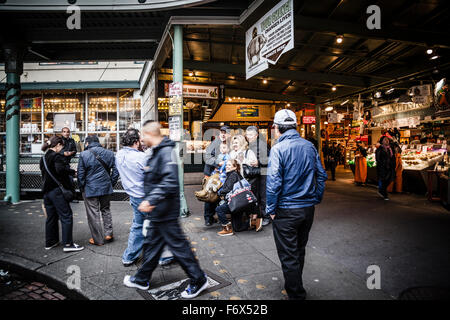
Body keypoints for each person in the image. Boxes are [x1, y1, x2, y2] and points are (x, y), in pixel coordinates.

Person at [123, 121, 208, 299]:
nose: (142, 140)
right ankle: (142, 278)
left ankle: (198, 279)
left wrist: (151, 200)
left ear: (150, 134)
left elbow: (170, 181)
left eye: (143, 136)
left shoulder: (166, 152)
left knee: (179, 247)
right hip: (160, 210)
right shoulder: (158, 151)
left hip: (165, 210)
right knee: (152, 246)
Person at [266, 109, 327, 300]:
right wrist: (315, 198)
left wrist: (271, 209)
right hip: (307, 209)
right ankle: (296, 285)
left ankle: (296, 294)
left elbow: (274, 182)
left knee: (288, 255)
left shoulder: (277, 149)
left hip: (286, 210)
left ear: (277, 128)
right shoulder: (309, 146)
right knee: (299, 250)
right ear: (295, 126)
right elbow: (322, 175)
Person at [40, 136, 84, 252]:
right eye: (62, 146)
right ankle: (68, 244)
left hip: (46, 192)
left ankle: (50, 242)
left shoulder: (43, 158)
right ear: (58, 145)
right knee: (66, 216)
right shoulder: (56, 157)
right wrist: (72, 172)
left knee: (51, 217)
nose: (62, 149)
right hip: (57, 191)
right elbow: (60, 170)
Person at [77, 135, 119, 246]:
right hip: (105, 187)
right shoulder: (109, 153)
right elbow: (116, 171)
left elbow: (81, 175)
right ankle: (108, 233)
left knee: (93, 213)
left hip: (90, 188)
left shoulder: (84, 154)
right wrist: (111, 183)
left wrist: (81, 187)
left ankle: (98, 240)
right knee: (106, 209)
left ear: (87, 143)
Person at [229, 134, 261, 231]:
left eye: (236, 142)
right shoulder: (231, 153)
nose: (234, 144)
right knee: (240, 200)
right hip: (236, 181)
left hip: (247, 180)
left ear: (242, 143)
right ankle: (246, 221)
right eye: (233, 143)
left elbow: (255, 163)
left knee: (250, 200)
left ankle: (256, 219)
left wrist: (243, 160)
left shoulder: (248, 152)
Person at [203, 126, 231, 226]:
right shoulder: (214, 143)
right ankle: (208, 218)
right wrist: (217, 163)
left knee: (220, 195)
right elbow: (207, 157)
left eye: (226, 132)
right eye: (222, 132)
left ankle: (220, 215)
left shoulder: (230, 144)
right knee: (210, 195)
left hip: (224, 174)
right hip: (212, 174)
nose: (223, 134)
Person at [215, 159, 249, 236]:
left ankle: (227, 229)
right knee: (238, 228)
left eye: (229, 165)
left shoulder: (233, 175)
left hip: (235, 202)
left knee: (219, 209)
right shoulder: (233, 174)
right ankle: (252, 222)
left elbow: (228, 189)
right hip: (238, 201)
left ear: (235, 167)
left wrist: (219, 192)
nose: (227, 166)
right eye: (226, 165)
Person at [246, 126, 271, 226]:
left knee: (263, 196)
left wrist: (258, 161)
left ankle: (266, 217)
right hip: (255, 174)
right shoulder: (249, 144)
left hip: (263, 174)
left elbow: (270, 159)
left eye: (251, 135)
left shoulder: (262, 145)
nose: (248, 137)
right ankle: (260, 216)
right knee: (256, 196)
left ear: (256, 135)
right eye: (247, 134)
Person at [375, 136, 396, 200]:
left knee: (390, 179)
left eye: (387, 139)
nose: (387, 141)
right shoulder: (379, 149)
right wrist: (382, 166)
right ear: (382, 142)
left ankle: (381, 190)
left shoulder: (391, 148)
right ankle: (384, 194)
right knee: (384, 180)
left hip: (390, 167)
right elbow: (378, 159)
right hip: (383, 167)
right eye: (385, 140)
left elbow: (397, 151)